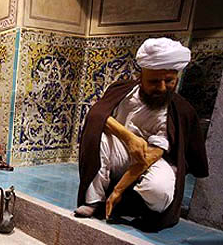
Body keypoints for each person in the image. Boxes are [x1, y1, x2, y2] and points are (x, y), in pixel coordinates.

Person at [76, 38, 209, 231]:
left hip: (153, 161)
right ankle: (94, 201)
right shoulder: (123, 92)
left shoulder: (178, 111)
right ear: (141, 77)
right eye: (154, 82)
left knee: (158, 191)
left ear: (176, 79)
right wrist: (129, 138)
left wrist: (118, 191)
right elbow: (97, 115)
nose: (162, 88)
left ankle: (144, 210)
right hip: (122, 154)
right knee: (99, 137)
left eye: (169, 81)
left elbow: (150, 156)